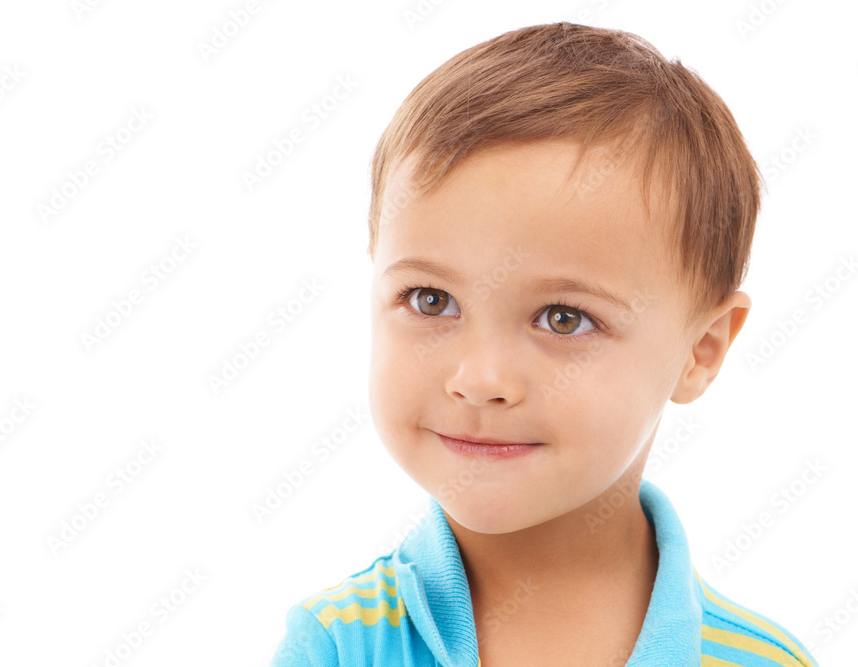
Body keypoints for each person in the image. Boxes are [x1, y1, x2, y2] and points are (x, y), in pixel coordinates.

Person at [270, 22, 819, 666]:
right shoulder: (339, 646)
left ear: (701, 349)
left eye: (562, 318)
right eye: (431, 300)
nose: (479, 379)